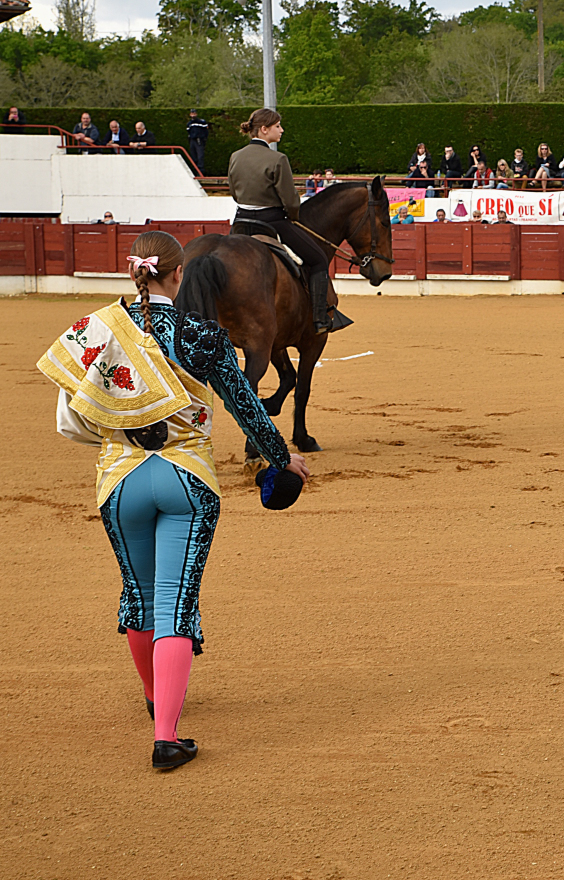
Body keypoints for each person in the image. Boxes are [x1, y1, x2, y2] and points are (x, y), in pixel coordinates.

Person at [36, 230, 309, 770]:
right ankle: (166, 737)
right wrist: (282, 458)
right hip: (187, 478)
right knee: (176, 604)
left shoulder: (98, 330)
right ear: (179, 275)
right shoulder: (202, 334)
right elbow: (246, 404)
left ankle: (156, 695)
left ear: (133, 272)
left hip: (119, 480)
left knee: (137, 596)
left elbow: (73, 415)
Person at [227, 108, 333, 333]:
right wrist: (293, 218)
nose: (281, 130)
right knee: (318, 260)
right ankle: (319, 318)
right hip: (272, 222)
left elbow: (235, 193)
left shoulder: (235, 156)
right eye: (277, 126)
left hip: (240, 223)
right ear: (264, 129)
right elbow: (290, 201)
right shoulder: (277, 159)